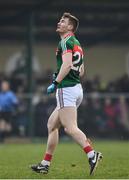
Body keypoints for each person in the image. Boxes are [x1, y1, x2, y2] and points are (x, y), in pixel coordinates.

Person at [31, 12, 102, 175]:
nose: (59, 23)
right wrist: (61, 74)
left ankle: (92, 154)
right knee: (52, 125)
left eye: (63, 21)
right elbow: (81, 70)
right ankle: (45, 164)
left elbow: (68, 64)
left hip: (67, 90)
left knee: (70, 128)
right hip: (76, 89)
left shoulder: (65, 41)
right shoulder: (76, 42)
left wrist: (56, 82)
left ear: (70, 27)